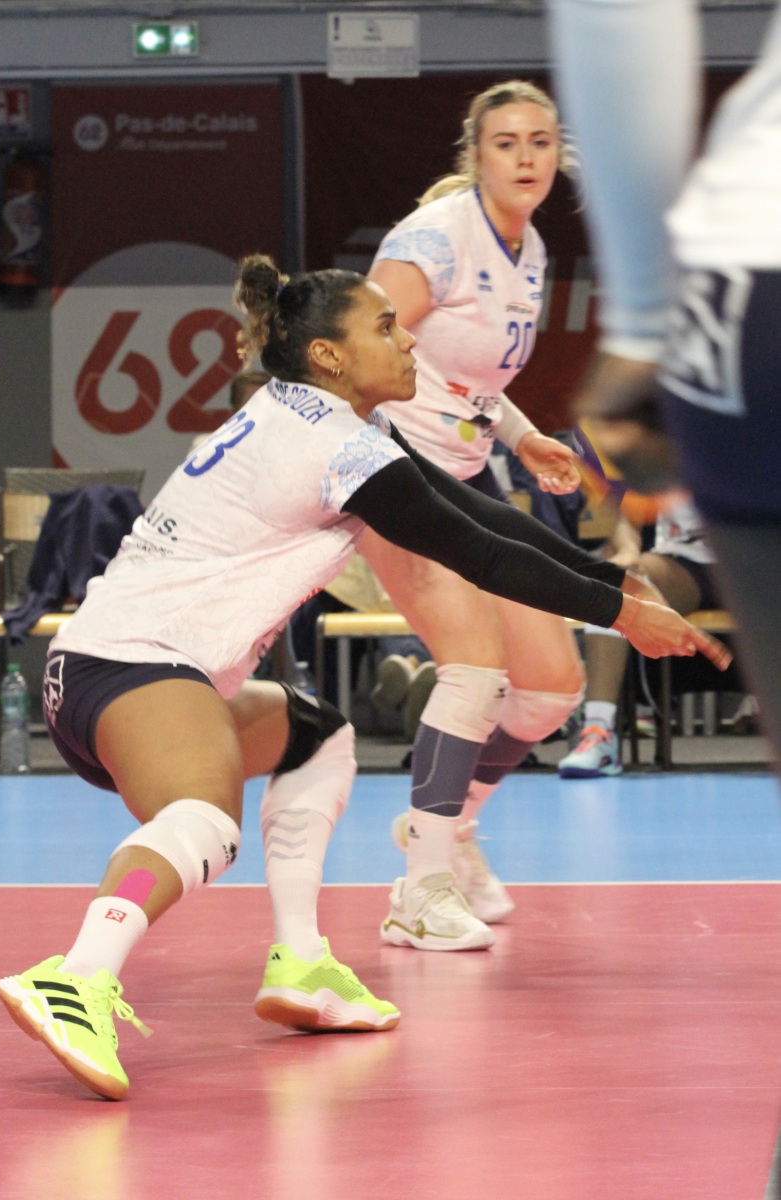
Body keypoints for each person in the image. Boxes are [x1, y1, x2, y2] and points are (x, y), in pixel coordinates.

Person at [0, 253, 728, 1101]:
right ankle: (77, 976)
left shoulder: (337, 424)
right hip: (128, 665)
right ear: (328, 356)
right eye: (383, 326)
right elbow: (480, 554)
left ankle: (301, 961)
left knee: (316, 738)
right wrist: (621, 613)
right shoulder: (331, 445)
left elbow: (485, 515)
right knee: (203, 819)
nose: (407, 339)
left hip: (129, 668)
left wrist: (618, 582)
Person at [362, 79, 593, 947]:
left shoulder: (528, 246)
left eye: (540, 141)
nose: (525, 157)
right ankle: (417, 895)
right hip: (395, 471)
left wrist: (523, 437)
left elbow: (471, 379)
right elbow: (351, 347)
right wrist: (366, 472)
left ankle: (446, 827)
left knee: (549, 689)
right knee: (475, 670)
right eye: (505, 142)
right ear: (475, 153)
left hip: (468, 473)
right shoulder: (434, 238)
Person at [546, 1, 781, 772]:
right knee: (629, 578)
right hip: (688, 544)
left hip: (743, 283)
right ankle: (597, 729)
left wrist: (645, 321)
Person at [558, 495, 723, 777]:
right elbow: (629, 512)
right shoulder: (663, 463)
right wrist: (628, 549)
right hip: (685, 564)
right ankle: (599, 733)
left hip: (761, 562)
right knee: (616, 583)